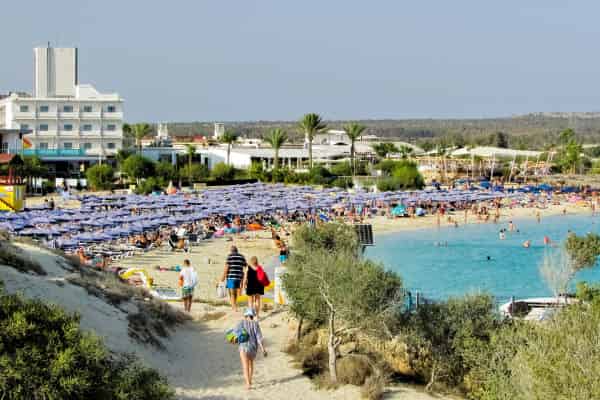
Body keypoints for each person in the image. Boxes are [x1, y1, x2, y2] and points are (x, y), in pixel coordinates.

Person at [238, 307, 266, 390]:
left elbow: (235, 332)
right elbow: (259, 337)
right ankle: (250, 380)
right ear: (253, 315)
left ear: (245, 315)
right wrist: (263, 349)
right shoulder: (256, 324)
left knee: (245, 365)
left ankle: (248, 383)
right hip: (253, 348)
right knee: (250, 364)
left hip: (243, 346)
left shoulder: (241, 323)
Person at [222, 245, 246, 312]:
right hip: (239, 277)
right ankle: (234, 304)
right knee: (235, 292)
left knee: (231, 292)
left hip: (231, 277)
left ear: (231, 251)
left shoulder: (229, 256)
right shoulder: (241, 256)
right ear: (237, 250)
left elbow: (226, 268)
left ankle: (234, 307)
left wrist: (222, 278)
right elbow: (245, 266)